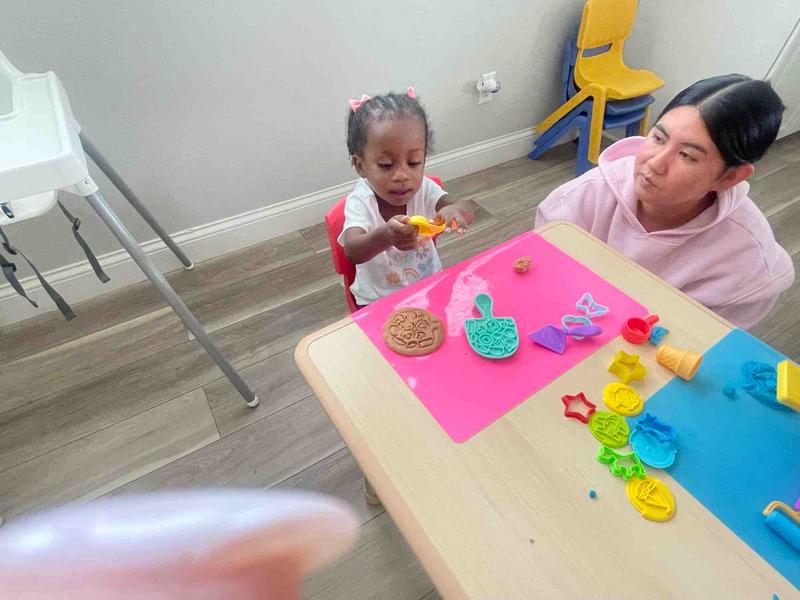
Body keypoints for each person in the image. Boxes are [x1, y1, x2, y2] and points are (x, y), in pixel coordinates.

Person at [535, 74, 794, 328]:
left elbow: (699, 344)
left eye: (686, 155)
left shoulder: (745, 263)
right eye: (658, 138)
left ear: (730, 177)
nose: (655, 164)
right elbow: (544, 268)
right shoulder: (587, 194)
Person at [340, 87, 474, 307]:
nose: (402, 176)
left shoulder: (425, 189)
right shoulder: (361, 201)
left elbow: (468, 208)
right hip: (377, 299)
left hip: (429, 285)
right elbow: (353, 251)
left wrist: (455, 211)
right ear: (360, 166)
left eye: (413, 163)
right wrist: (387, 236)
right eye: (385, 165)